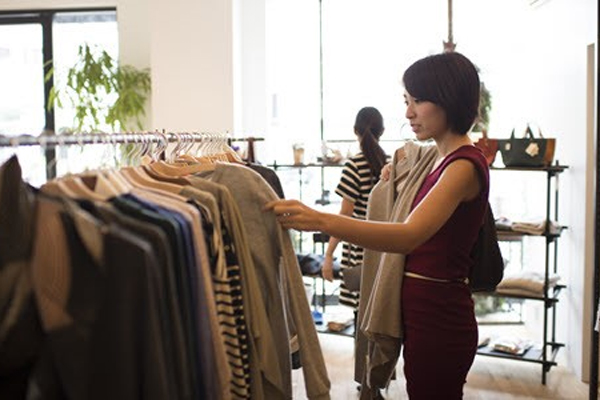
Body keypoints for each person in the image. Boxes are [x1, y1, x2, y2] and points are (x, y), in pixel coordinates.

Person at [265, 51, 488, 399]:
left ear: (448, 99)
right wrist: (395, 172)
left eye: (419, 101)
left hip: (440, 316)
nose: (409, 112)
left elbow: (409, 235)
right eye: (406, 101)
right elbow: (410, 158)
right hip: (421, 310)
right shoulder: (436, 159)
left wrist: (322, 220)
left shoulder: (463, 166)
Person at [321, 107, 387, 323]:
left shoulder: (354, 165)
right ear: (382, 131)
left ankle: (362, 358)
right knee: (380, 316)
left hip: (358, 247)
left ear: (355, 131)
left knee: (361, 319)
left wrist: (329, 255)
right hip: (387, 245)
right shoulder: (391, 164)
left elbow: (345, 217)